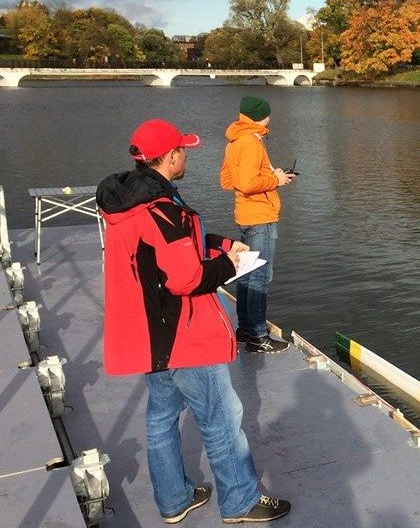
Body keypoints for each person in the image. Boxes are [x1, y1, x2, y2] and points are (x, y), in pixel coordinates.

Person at [96, 119, 291, 524]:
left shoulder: (130, 201)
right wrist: (228, 262)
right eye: (182, 150)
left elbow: (167, 248)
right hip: (184, 333)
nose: (186, 155)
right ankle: (239, 501)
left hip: (153, 333)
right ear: (169, 158)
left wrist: (219, 242)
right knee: (221, 418)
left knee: (161, 417)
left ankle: (174, 499)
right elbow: (188, 277)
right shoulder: (162, 210)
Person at [220, 96, 293, 354]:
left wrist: (271, 175)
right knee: (261, 276)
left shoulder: (235, 141)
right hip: (261, 218)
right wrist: (275, 180)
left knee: (246, 274)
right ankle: (258, 336)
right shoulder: (251, 142)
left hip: (245, 214)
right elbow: (249, 183)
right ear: (262, 116)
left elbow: (228, 180)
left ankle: (244, 329)